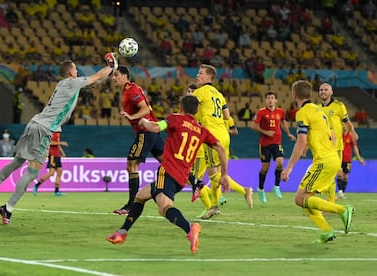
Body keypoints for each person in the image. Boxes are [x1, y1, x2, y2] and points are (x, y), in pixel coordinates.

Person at [0, 53, 118, 224]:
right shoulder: (72, 83)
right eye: (75, 68)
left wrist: (111, 71)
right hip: (44, 129)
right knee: (32, 173)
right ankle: (8, 208)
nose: (77, 70)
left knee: (16, 163)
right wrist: (110, 64)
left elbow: (96, 81)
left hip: (34, 123)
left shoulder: (67, 85)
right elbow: (96, 76)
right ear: (70, 73)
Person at [106, 95, 230, 253]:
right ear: (197, 110)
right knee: (141, 196)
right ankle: (122, 232)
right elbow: (220, 148)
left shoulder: (176, 119)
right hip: (182, 178)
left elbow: (156, 128)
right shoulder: (202, 131)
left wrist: (143, 122)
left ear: (181, 108)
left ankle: (190, 228)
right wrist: (224, 174)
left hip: (168, 171)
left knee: (164, 208)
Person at [281, 80, 354, 244]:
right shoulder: (320, 111)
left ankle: (342, 209)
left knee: (300, 199)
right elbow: (332, 136)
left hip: (323, 161)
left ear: (294, 95)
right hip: (332, 158)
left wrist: (289, 167)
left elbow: (300, 141)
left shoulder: (303, 112)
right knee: (304, 198)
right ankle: (327, 231)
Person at [193, 64, 253, 219]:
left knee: (213, 175)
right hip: (224, 135)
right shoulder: (219, 94)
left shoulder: (200, 92)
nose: (197, 76)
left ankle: (244, 190)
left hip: (212, 136)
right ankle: (214, 206)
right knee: (216, 172)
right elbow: (227, 116)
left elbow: (188, 108)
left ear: (208, 77)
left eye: (200, 73)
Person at [110, 66, 165, 215]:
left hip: (145, 131)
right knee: (168, 162)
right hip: (153, 131)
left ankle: (131, 205)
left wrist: (131, 116)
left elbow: (145, 109)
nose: (113, 78)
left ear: (124, 76)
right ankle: (196, 183)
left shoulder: (131, 90)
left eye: (116, 75)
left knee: (132, 165)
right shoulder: (130, 89)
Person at [251, 91, 296, 204]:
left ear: (276, 100)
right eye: (268, 98)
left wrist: (289, 133)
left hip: (277, 143)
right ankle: (261, 189)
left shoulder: (280, 112)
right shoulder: (261, 112)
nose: (270, 100)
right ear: (266, 100)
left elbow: (283, 122)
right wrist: (266, 132)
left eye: (272, 98)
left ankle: (276, 186)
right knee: (265, 168)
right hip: (264, 144)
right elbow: (254, 126)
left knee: (280, 163)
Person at [318, 83, 358, 203]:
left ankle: (331, 198)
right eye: (321, 90)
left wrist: (353, 132)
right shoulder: (317, 109)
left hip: (336, 147)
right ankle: (330, 199)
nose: (323, 92)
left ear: (331, 92)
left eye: (326, 90)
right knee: (328, 173)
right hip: (322, 146)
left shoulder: (339, 106)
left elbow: (347, 121)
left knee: (334, 173)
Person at [32, 132, 68, 196]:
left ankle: (56, 191)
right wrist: (61, 143)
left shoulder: (57, 133)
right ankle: (36, 185)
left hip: (57, 155)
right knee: (52, 172)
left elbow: (57, 144)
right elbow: (49, 143)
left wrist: (62, 152)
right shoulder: (52, 133)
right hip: (52, 155)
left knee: (59, 172)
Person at [337, 124, 366, 199]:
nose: (343, 126)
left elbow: (355, 147)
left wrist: (359, 158)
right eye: (342, 125)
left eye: (345, 125)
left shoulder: (351, 136)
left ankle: (342, 192)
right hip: (339, 158)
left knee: (345, 176)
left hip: (348, 159)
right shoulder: (338, 135)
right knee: (339, 174)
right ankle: (340, 191)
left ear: (348, 126)